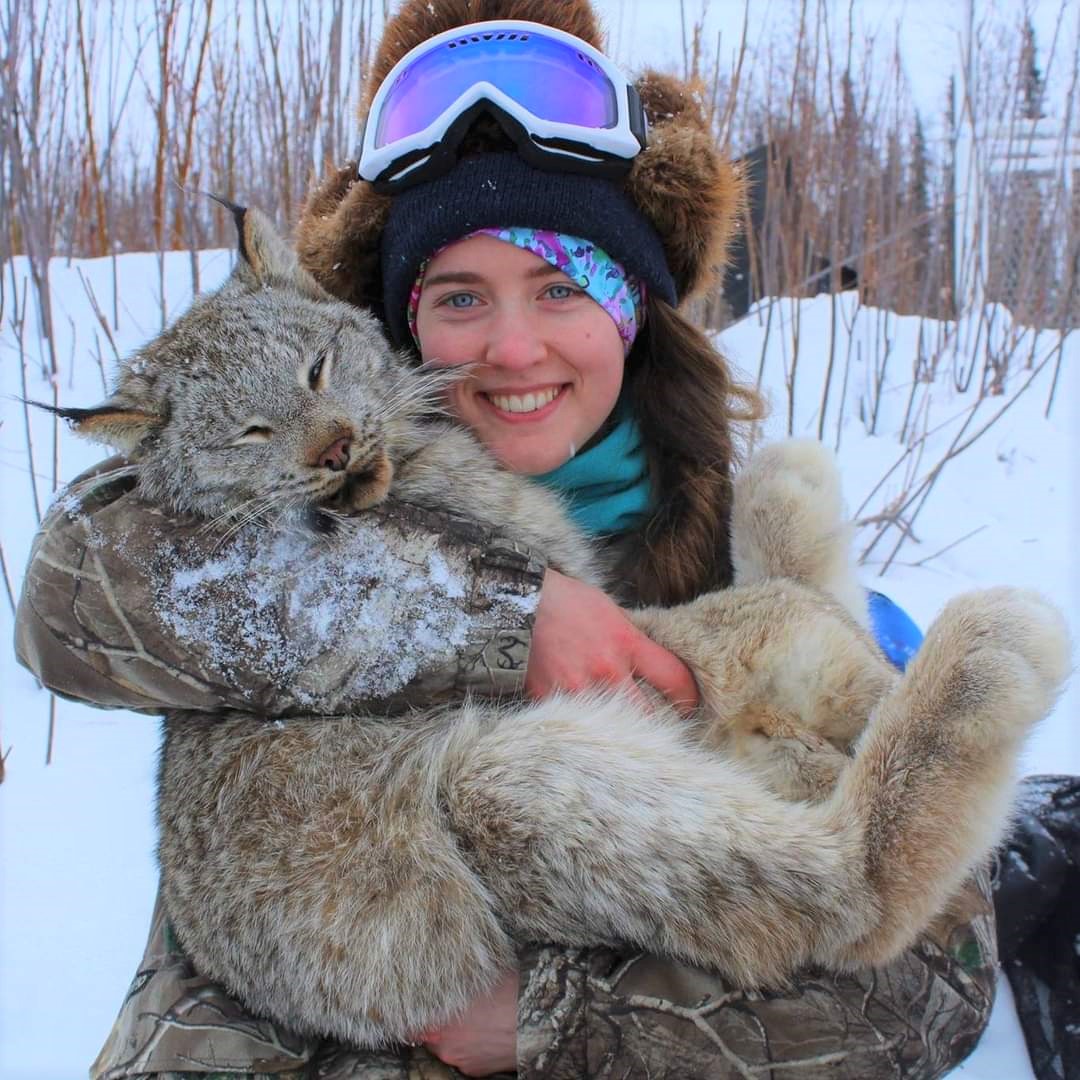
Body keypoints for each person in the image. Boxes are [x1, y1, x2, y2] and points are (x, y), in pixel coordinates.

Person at [15, 1, 997, 1077]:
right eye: (459, 296)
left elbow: (929, 982)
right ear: (404, 323)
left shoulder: (724, 550)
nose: (512, 347)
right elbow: (68, 584)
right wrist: (500, 612)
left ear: (633, 312)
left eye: (561, 287)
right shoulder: (296, 500)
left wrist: (554, 1022)